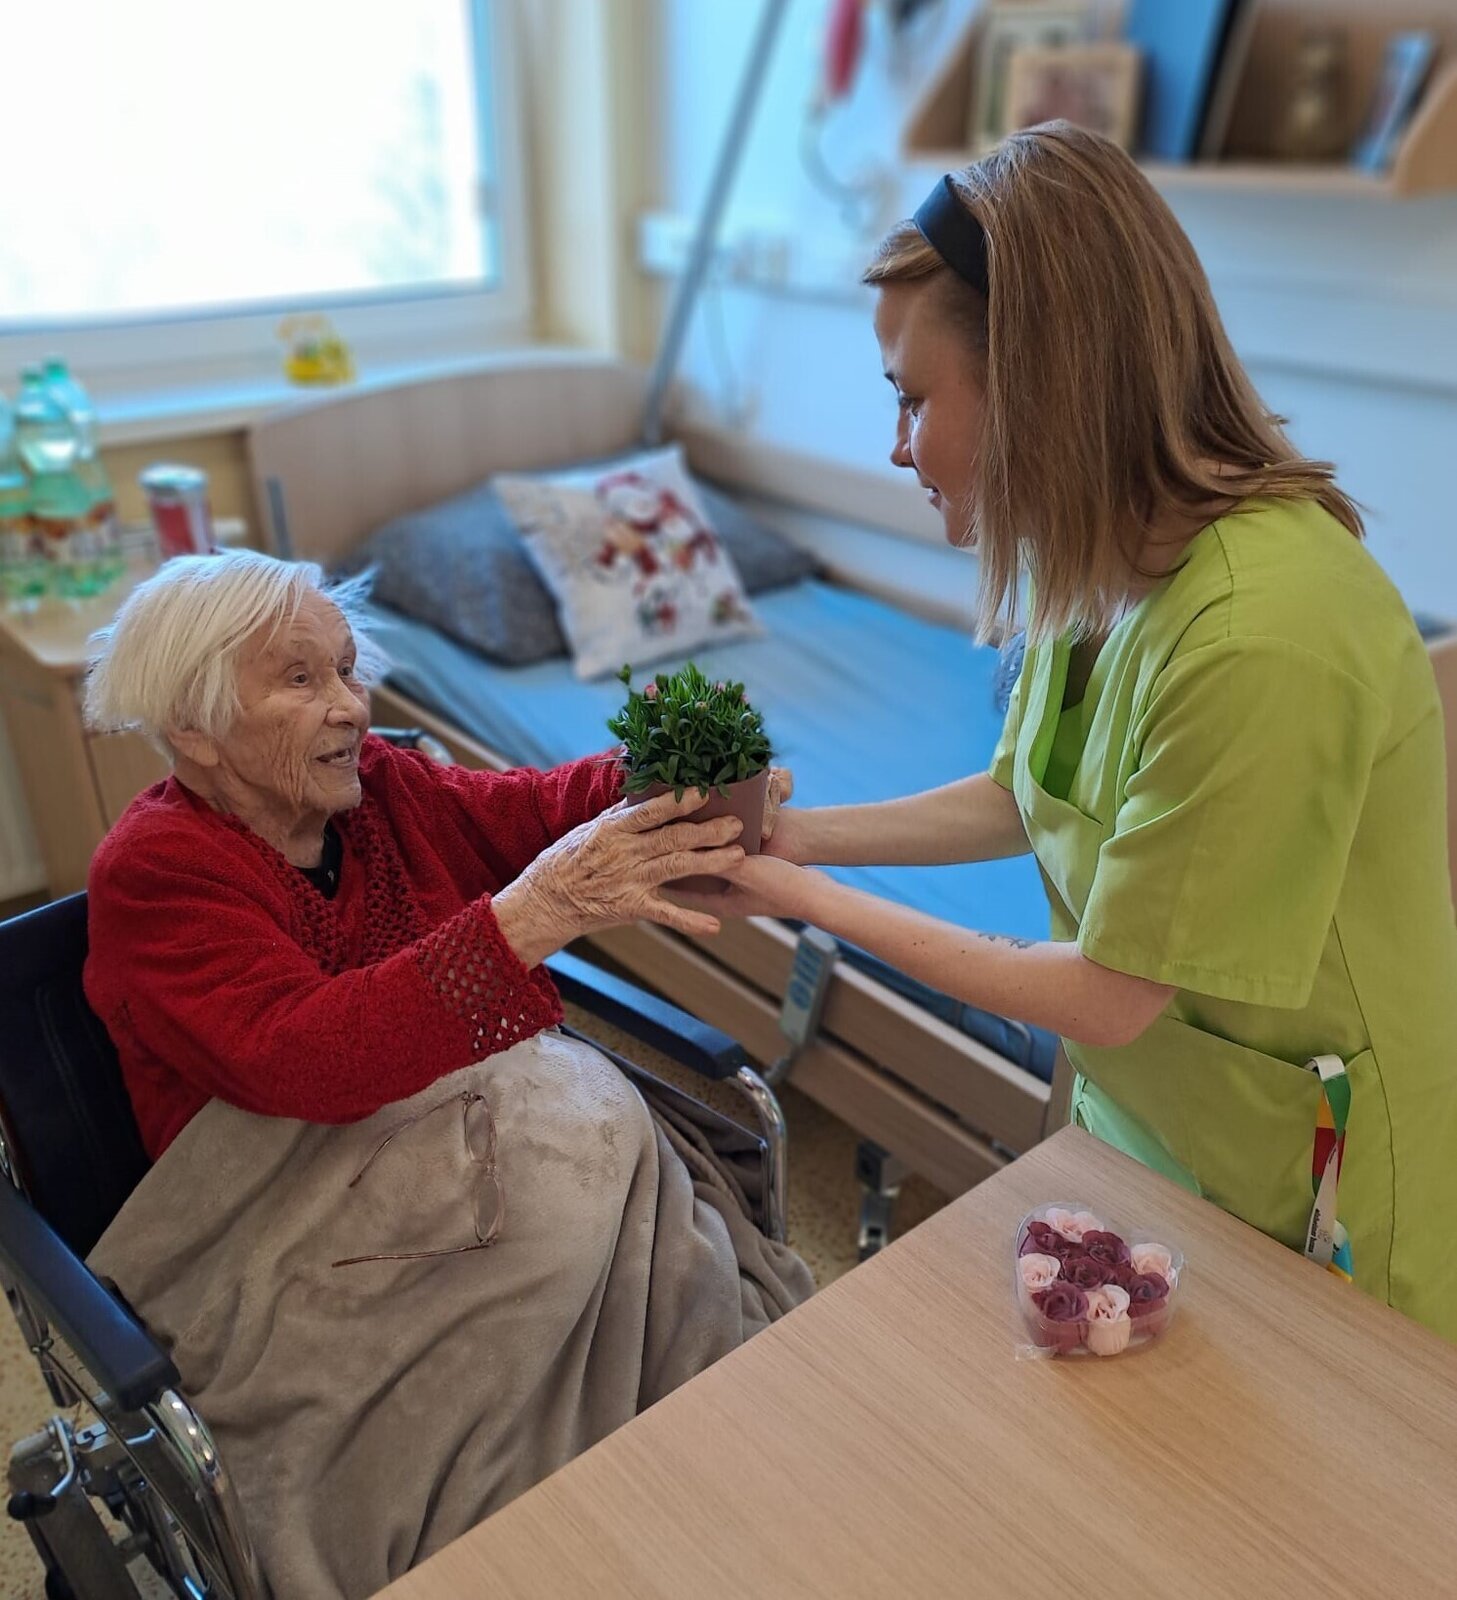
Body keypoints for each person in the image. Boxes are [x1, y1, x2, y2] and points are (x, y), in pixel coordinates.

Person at [694, 123, 1457, 1340]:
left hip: (1314, 1176)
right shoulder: (1100, 564)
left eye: (911, 399)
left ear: (1037, 385)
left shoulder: (1260, 635)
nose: (895, 445)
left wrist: (803, 897)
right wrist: (795, 833)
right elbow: (1023, 792)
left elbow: (1107, 995)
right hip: (1153, 1130)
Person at [81, 549, 811, 1597]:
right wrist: (538, 912)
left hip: (468, 1159)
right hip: (280, 1219)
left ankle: (651, 1463)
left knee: (624, 1202)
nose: (350, 704)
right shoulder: (157, 871)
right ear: (193, 726)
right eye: (301, 679)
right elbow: (308, 1056)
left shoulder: (383, 785)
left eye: (346, 668)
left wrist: (659, 777)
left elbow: (526, 811)